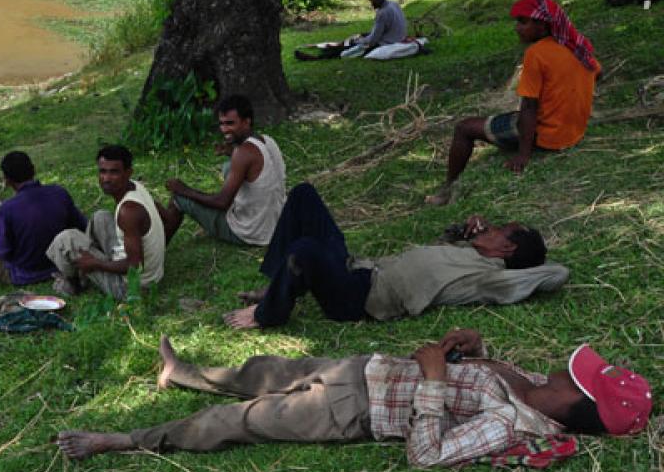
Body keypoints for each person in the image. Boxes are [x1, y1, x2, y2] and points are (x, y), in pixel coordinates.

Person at [56, 332, 652, 467]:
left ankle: (126, 441)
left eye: (572, 378)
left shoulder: (509, 424)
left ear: (569, 406)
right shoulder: (528, 387)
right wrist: (471, 351)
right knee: (261, 370)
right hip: (364, 370)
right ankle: (182, 372)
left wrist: (438, 377)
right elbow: (472, 374)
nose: (560, 369)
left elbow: (427, 455)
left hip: (352, 412)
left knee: (240, 420)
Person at [224, 183, 562, 329]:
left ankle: (268, 315)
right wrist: (464, 231)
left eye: (500, 229)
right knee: (303, 196)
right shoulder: (468, 250)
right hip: (356, 267)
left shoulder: (490, 277)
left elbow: (557, 273)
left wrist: (535, 255)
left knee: (305, 251)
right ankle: (276, 284)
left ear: (508, 249)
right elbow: (441, 244)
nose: (492, 227)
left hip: (359, 298)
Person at [427, 0, 601, 205]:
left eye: (523, 22)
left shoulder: (536, 54)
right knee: (504, 119)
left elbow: (529, 107)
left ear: (542, 25)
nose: (517, 27)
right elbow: (596, 72)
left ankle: (447, 189)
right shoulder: (576, 46)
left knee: (464, 128)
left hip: (548, 135)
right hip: (573, 131)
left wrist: (523, 155)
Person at [46, 145, 174, 301]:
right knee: (101, 216)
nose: (106, 178)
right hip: (151, 274)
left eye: (114, 172)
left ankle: (75, 283)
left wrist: (96, 263)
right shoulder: (137, 187)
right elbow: (164, 215)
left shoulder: (129, 211)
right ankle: (85, 269)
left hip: (135, 287)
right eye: (102, 171)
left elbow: (134, 266)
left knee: (66, 239)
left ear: (128, 173)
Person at [161, 95, 286, 246]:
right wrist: (231, 152)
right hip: (277, 225)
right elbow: (254, 163)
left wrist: (183, 189)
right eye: (222, 124)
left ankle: (154, 253)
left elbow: (222, 202)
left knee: (178, 198)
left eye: (230, 123)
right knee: (228, 165)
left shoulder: (243, 153)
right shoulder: (267, 140)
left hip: (254, 233)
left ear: (247, 121)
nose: (224, 129)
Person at [0, 151, 87, 284]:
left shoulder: (8, 209)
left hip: (22, 274)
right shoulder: (59, 193)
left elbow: (4, 252)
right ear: (34, 169)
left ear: (7, 180)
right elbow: (81, 226)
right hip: (59, 264)